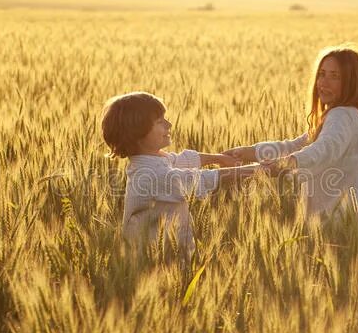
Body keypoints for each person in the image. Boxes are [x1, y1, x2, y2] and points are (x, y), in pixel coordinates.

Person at [223, 45, 358, 248]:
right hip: (355, 233)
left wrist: (278, 166)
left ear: (353, 82)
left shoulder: (341, 116)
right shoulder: (348, 116)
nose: (323, 83)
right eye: (321, 74)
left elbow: (321, 151)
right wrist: (246, 153)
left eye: (335, 76)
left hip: (345, 236)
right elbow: (296, 145)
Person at [101, 91, 263, 259]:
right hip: (154, 261)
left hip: (170, 251)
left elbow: (180, 160)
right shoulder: (149, 175)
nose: (169, 124)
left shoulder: (152, 160)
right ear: (138, 133)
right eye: (159, 121)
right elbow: (197, 180)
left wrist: (217, 158)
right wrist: (260, 169)